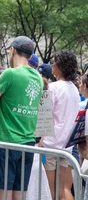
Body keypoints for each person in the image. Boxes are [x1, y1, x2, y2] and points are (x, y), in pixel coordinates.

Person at [0, 36, 43, 200]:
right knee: (19, 194)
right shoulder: (38, 78)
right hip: (28, 143)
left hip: (7, 142)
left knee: (3, 193)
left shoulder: (10, 74)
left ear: (12, 50)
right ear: (30, 56)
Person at [40, 50, 79, 200]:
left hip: (50, 145)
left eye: (54, 62)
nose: (52, 65)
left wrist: (41, 140)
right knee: (62, 191)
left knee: (50, 191)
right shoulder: (75, 89)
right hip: (66, 147)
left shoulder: (53, 88)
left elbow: (43, 116)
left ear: (60, 66)